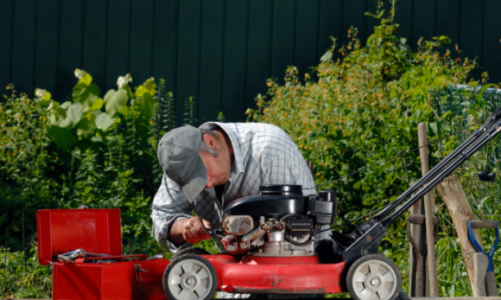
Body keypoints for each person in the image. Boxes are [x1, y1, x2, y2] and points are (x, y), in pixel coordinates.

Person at [151, 122, 326, 253]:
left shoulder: (270, 153)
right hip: (236, 277)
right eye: (193, 183)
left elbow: (298, 234)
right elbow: (163, 216)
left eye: (204, 172)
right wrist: (182, 227)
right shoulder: (180, 163)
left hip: (296, 273)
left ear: (211, 142)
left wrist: (249, 240)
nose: (207, 185)